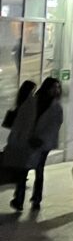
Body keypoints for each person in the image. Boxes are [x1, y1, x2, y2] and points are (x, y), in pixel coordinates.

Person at [8, 78, 64, 211]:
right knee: (23, 170)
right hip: (27, 141)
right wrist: (21, 137)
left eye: (58, 87)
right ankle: (19, 199)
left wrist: (40, 140)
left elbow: (54, 127)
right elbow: (21, 121)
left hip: (42, 144)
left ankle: (36, 198)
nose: (56, 90)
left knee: (39, 171)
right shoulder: (32, 101)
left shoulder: (56, 107)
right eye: (54, 87)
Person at [2, 81, 38, 213]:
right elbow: (27, 125)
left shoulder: (22, 102)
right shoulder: (30, 103)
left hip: (17, 143)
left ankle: (19, 200)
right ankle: (19, 199)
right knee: (22, 173)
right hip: (23, 144)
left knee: (20, 173)